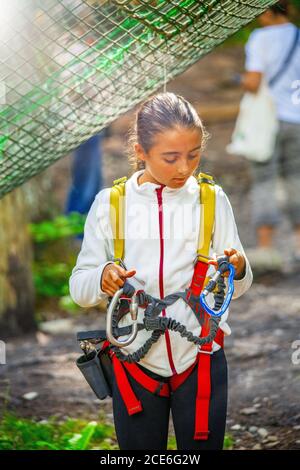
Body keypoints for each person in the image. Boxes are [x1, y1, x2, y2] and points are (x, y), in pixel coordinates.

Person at [69, 92, 253, 450]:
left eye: (194, 154)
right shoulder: (111, 205)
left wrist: (238, 268)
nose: (184, 168)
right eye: (170, 158)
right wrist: (102, 276)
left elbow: (239, 285)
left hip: (201, 360)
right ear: (140, 151)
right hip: (134, 363)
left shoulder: (211, 200)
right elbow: (80, 287)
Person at [242, 0, 300, 271]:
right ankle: (298, 248)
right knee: (296, 180)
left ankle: (267, 250)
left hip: (268, 121)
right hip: (296, 120)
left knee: (265, 179)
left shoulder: (260, 37)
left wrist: (240, 81)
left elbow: (253, 82)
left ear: (267, 10)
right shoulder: (298, 35)